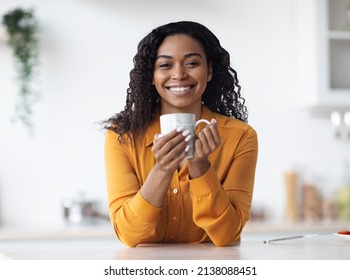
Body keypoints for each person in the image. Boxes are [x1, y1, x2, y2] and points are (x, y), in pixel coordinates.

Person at [103, 21, 258, 247]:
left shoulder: (240, 137)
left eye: (192, 63)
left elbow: (228, 235)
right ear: (151, 75)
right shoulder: (122, 136)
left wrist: (200, 167)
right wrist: (162, 169)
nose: (179, 74)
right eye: (165, 65)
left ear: (210, 70)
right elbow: (128, 234)